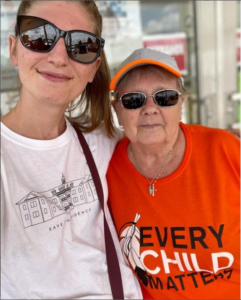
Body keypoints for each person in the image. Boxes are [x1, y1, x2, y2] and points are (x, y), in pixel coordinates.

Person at [0, 1, 142, 299]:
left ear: (94, 68)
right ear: (14, 49)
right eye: (39, 36)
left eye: (81, 45)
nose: (59, 57)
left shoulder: (103, 142)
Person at [107, 48, 240, 299]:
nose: (149, 108)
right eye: (133, 100)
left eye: (164, 97)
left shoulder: (226, 151)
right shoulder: (106, 167)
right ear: (117, 109)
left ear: (182, 102)